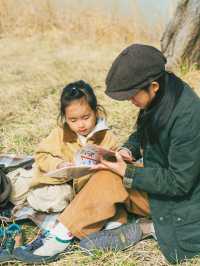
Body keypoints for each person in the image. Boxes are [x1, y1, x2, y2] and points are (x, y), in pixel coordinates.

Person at [80, 44, 200, 264]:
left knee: (108, 179)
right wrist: (128, 150)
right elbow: (144, 132)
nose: (130, 101)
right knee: (105, 175)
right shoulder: (165, 92)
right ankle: (67, 229)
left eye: (132, 95)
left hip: (185, 198)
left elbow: (180, 182)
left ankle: (60, 237)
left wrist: (129, 171)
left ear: (153, 86)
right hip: (161, 179)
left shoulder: (188, 117)